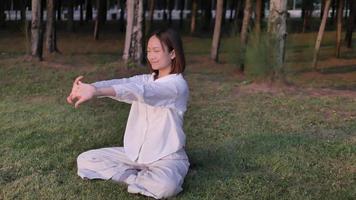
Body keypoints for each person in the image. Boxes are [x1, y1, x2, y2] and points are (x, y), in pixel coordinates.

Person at [66, 28, 190, 199]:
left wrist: (95, 92)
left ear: (173, 53)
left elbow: (140, 91)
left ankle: (140, 177)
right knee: (86, 159)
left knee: (165, 187)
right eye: (148, 51)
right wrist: (91, 88)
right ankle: (133, 178)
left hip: (166, 156)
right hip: (135, 154)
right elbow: (124, 83)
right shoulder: (147, 79)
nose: (151, 56)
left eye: (156, 51)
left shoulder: (177, 85)